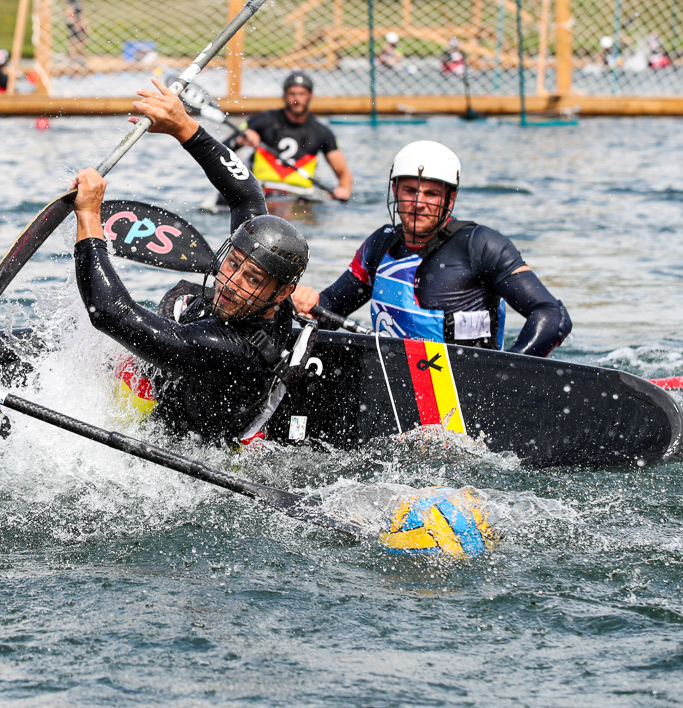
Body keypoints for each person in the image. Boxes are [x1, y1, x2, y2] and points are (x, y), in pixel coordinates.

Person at [67, 79, 311, 444]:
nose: (231, 283)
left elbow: (109, 314)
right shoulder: (271, 276)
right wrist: (183, 126)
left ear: (282, 292)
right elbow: (246, 193)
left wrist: (88, 216)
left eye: (253, 279)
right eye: (233, 263)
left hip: (199, 452)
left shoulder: (228, 347)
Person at [291, 140, 571, 357]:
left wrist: (509, 371)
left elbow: (552, 315)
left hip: (467, 386)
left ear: (450, 199)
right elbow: (331, 309)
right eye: (410, 191)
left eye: (432, 194)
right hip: (393, 381)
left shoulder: (482, 245)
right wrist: (308, 303)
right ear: (394, 191)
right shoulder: (380, 245)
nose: (418, 203)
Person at [232, 72, 353, 202]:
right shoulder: (261, 120)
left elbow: (343, 174)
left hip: (301, 197)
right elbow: (224, 146)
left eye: (302, 94)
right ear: (284, 95)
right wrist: (240, 141)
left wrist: (343, 189)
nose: (297, 100)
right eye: (292, 94)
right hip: (263, 192)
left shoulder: (322, 132)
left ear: (310, 96)